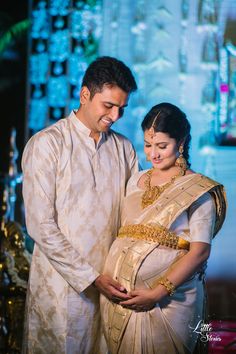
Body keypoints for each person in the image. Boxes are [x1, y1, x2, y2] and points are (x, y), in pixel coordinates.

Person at [21, 56, 139, 354]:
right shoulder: (48, 144)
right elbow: (40, 225)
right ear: (84, 95)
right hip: (61, 289)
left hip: (111, 288)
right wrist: (90, 277)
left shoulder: (124, 149)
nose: (115, 116)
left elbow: (135, 215)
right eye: (108, 105)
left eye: (121, 109)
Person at [101, 102, 227, 354]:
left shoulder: (198, 190)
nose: (153, 155)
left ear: (180, 143)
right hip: (118, 297)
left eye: (162, 146)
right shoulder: (136, 179)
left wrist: (157, 293)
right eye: (148, 145)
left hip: (170, 302)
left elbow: (199, 252)